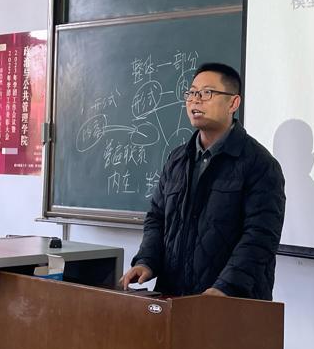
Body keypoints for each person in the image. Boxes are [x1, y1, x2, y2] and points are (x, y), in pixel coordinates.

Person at [120, 62, 286, 300]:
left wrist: (225, 287)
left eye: (207, 93)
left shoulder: (259, 164)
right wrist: (146, 261)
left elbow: (260, 237)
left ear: (233, 103)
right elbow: (157, 218)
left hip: (233, 301)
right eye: (192, 93)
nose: (195, 100)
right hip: (174, 298)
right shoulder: (178, 159)